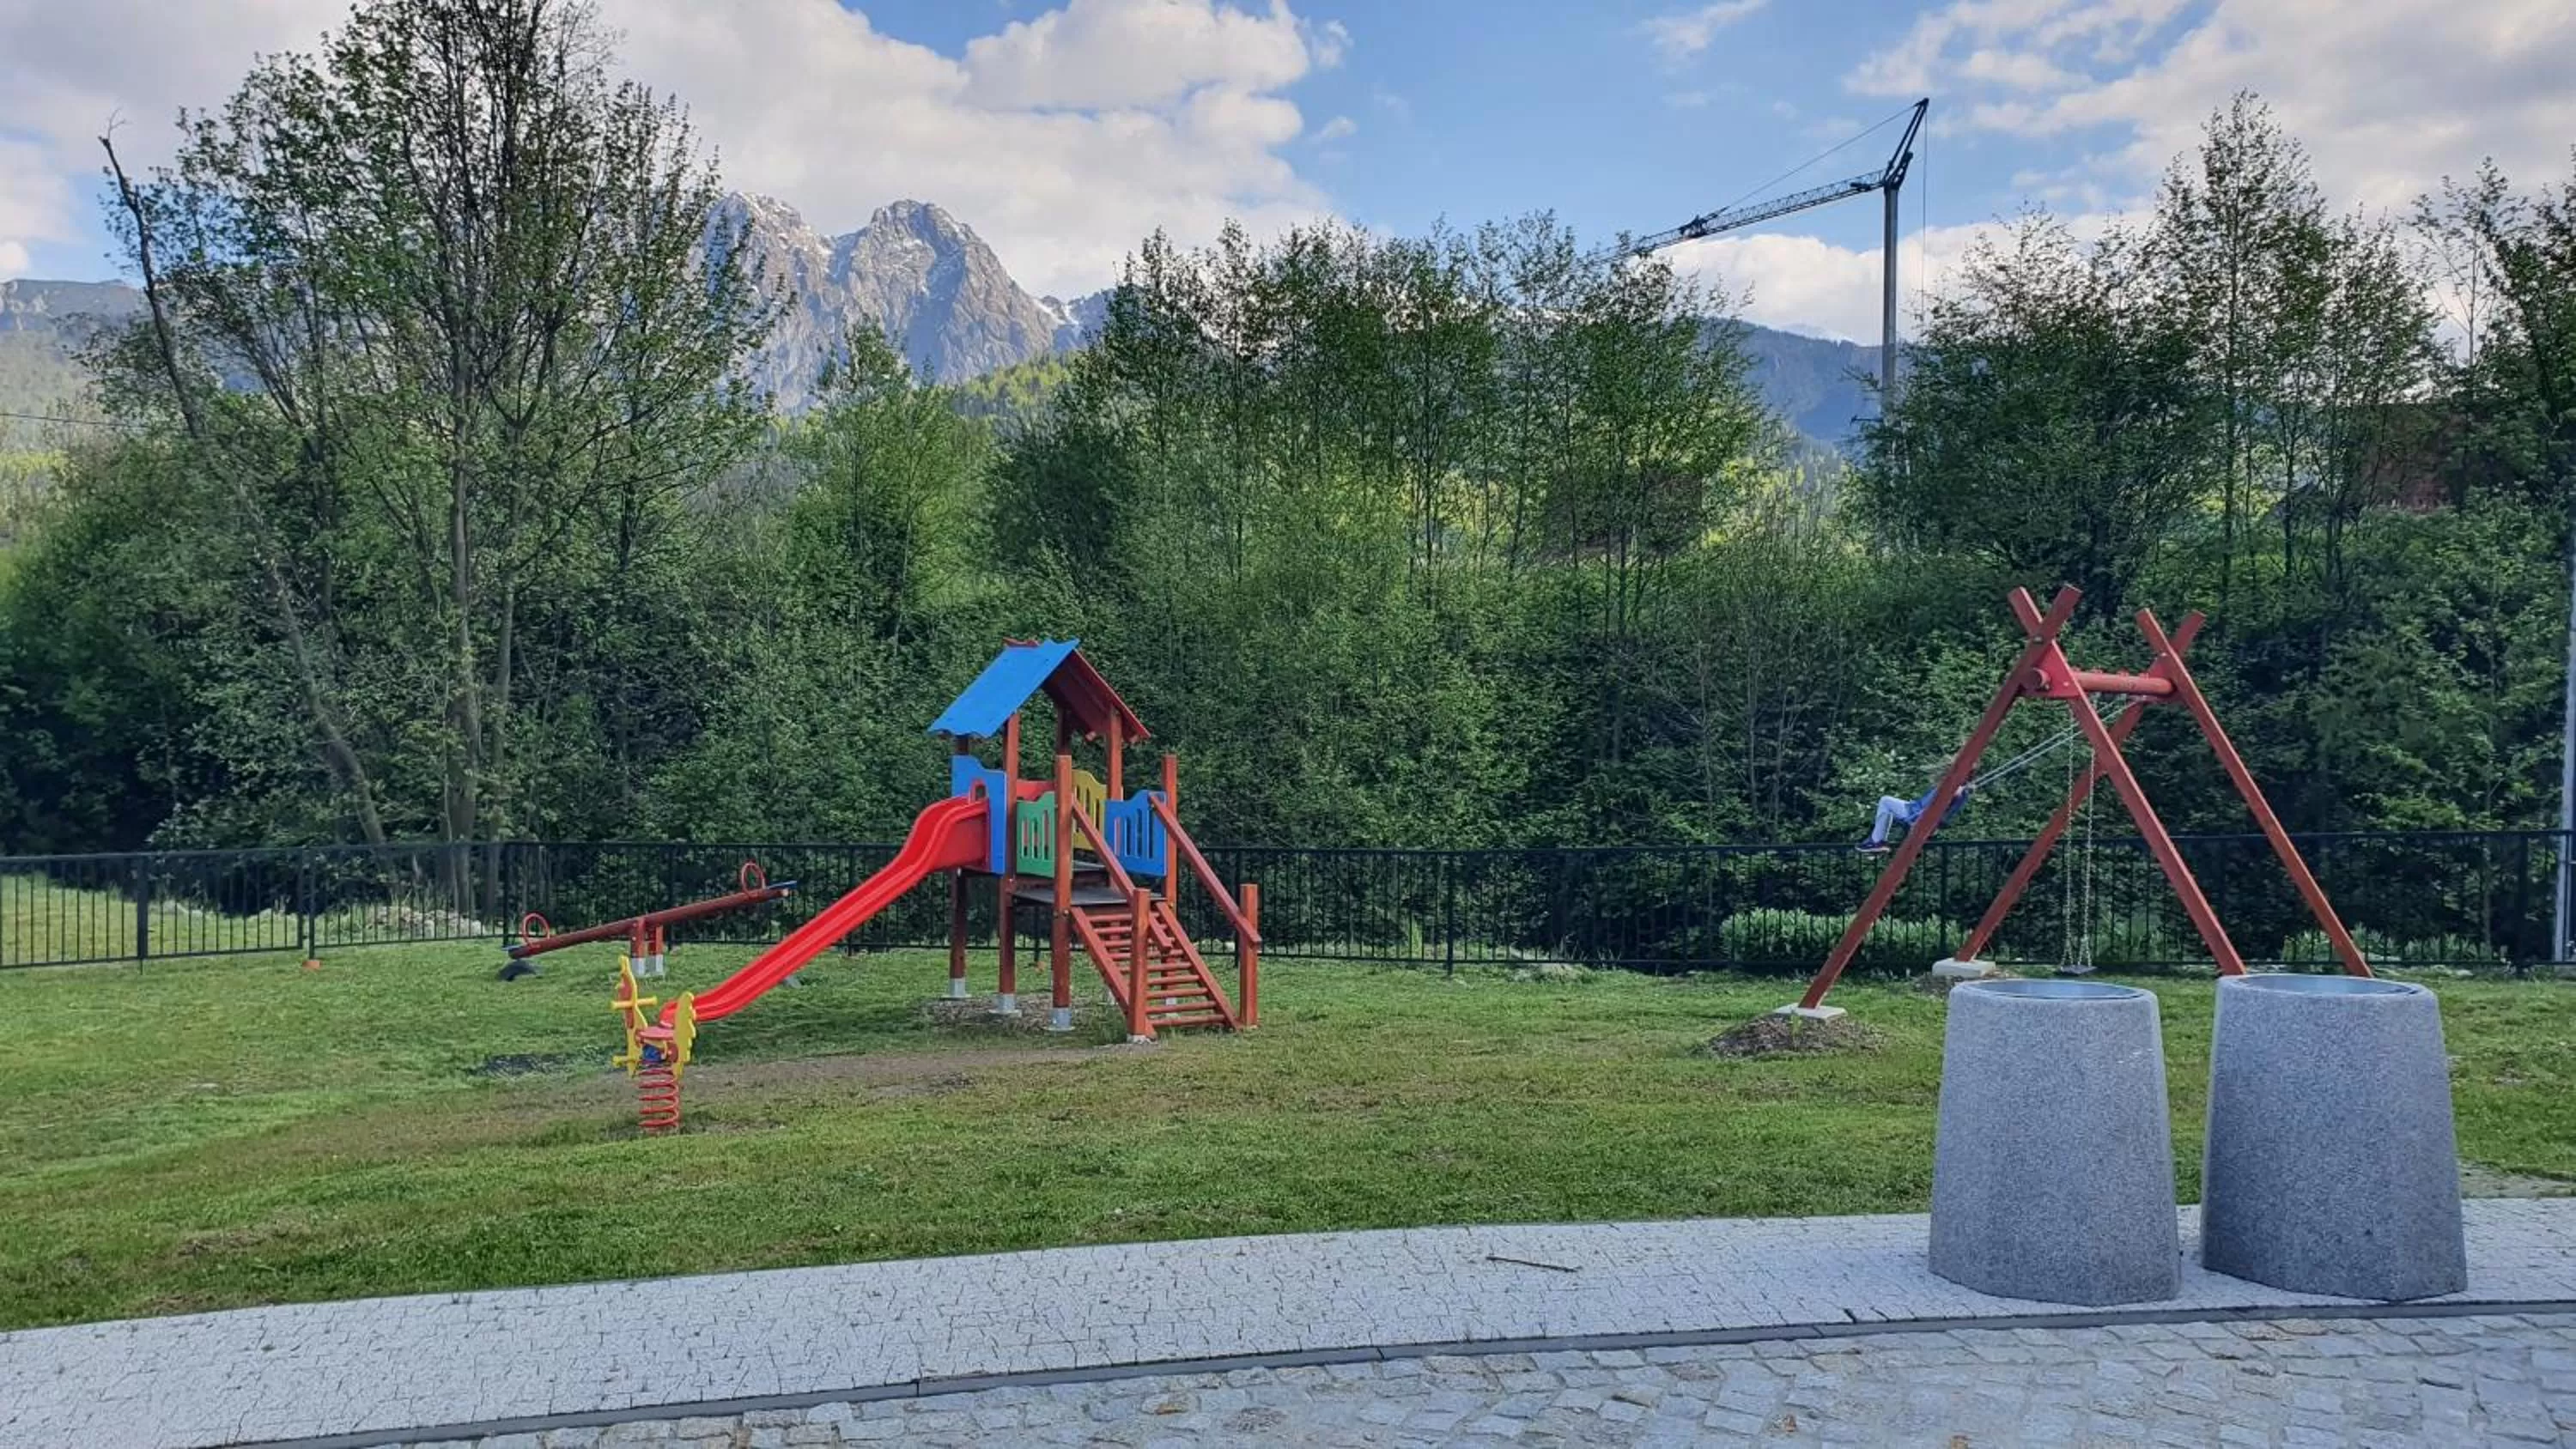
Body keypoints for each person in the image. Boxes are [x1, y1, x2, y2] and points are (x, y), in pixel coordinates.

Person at [1858, 776, 1973, 852]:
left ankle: (1877, 841)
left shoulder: (1957, 791)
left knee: (1885, 801)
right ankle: (1877, 840)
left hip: (1914, 812)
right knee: (1886, 803)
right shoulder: (1958, 790)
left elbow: (1946, 803)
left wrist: (1915, 819)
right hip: (1915, 807)